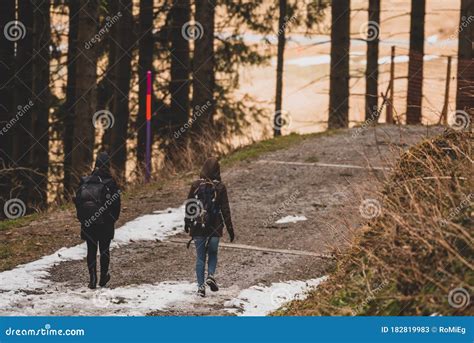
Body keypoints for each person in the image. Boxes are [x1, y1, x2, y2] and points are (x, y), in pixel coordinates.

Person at [184, 157, 235, 297]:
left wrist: (187, 223)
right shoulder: (220, 187)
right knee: (213, 253)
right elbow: (225, 209)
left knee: (200, 258)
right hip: (215, 227)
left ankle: (201, 288)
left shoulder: (195, 185)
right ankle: (210, 276)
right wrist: (230, 229)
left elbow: (190, 206)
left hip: (198, 226)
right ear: (217, 170)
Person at [74, 152, 121, 289]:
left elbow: (78, 202)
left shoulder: (85, 181)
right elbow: (116, 204)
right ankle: (103, 277)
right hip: (105, 222)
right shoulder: (111, 183)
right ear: (108, 165)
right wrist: (113, 219)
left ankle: (92, 278)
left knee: (91, 249)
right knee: (104, 250)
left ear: (95, 165)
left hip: (88, 222)